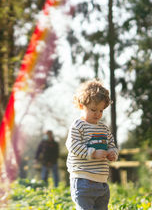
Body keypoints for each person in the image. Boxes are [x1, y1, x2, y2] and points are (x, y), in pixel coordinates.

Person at [66, 79, 119, 210]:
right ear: (81, 106)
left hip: (101, 182)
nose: (97, 114)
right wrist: (93, 153)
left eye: (101, 110)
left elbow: (111, 144)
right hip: (83, 180)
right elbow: (73, 146)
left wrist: (113, 153)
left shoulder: (104, 128)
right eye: (93, 109)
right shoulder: (78, 126)